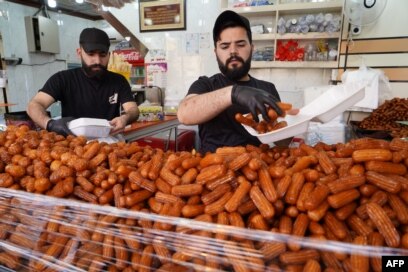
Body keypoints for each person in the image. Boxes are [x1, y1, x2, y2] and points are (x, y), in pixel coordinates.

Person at [177, 10, 287, 153]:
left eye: (240, 44)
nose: (233, 51)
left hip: (258, 168)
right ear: (216, 52)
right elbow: (184, 114)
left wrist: (296, 122)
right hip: (212, 169)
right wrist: (234, 93)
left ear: (251, 49)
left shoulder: (267, 89)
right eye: (225, 46)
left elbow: (283, 143)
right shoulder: (205, 84)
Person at [27, 27, 139, 137]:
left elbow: (133, 110)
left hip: (110, 145)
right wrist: (50, 124)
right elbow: (34, 105)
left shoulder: (118, 81)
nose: (97, 60)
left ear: (109, 54)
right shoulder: (63, 79)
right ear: (79, 52)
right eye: (91, 54)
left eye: (102, 55)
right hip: (73, 146)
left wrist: (125, 118)